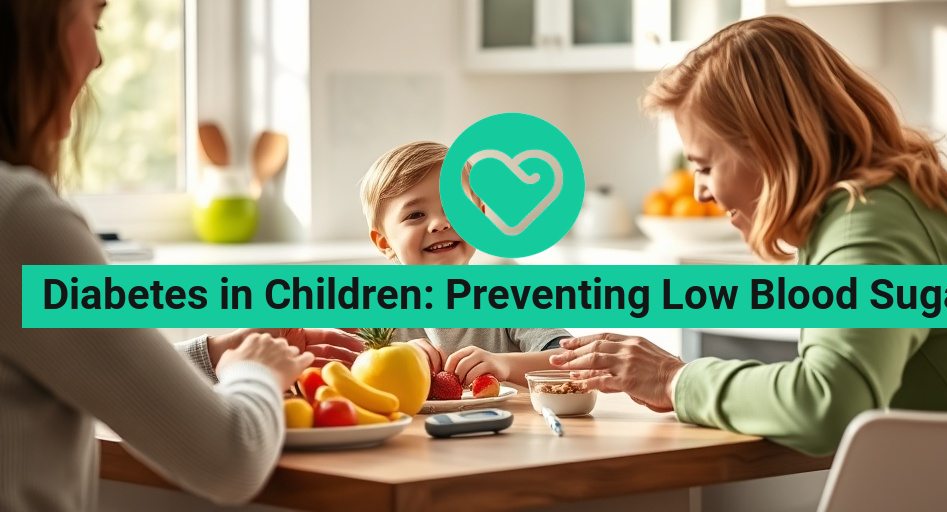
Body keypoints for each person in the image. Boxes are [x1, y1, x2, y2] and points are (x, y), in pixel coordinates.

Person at [551, 15, 947, 456]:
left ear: (769, 146)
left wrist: (674, 378)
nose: (699, 193)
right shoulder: (897, 199)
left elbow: (827, 403)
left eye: (705, 166)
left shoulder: (870, 221)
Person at [0, 1, 361, 510]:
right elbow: (231, 459)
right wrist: (255, 373)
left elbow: (91, 374)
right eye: (94, 20)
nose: (100, 58)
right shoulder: (19, 218)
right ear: (30, 25)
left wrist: (213, 356)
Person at [355, 141, 568, 386]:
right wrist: (391, 359)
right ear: (384, 242)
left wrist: (504, 365)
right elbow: (340, 372)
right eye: (415, 215)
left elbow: (571, 361)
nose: (440, 223)